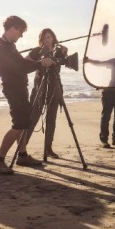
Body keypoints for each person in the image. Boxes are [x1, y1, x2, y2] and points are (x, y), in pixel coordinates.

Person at [0, 16, 54, 175]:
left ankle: (22, 155)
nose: (21, 35)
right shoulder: (1, 48)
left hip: (20, 88)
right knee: (18, 124)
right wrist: (40, 64)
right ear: (13, 28)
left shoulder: (9, 45)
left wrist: (36, 58)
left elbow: (23, 63)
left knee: (24, 122)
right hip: (13, 90)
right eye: (20, 32)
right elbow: (19, 69)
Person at [26, 28, 68, 159]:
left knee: (51, 119)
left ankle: (48, 148)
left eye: (48, 37)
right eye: (44, 37)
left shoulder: (58, 51)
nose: (46, 39)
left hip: (54, 87)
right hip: (40, 87)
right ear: (41, 39)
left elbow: (65, 63)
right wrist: (38, 62)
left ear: (53, 38)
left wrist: (65, 54)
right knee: (33, 117)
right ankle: (22, 148)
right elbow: (24, 63)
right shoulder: (36, 51)